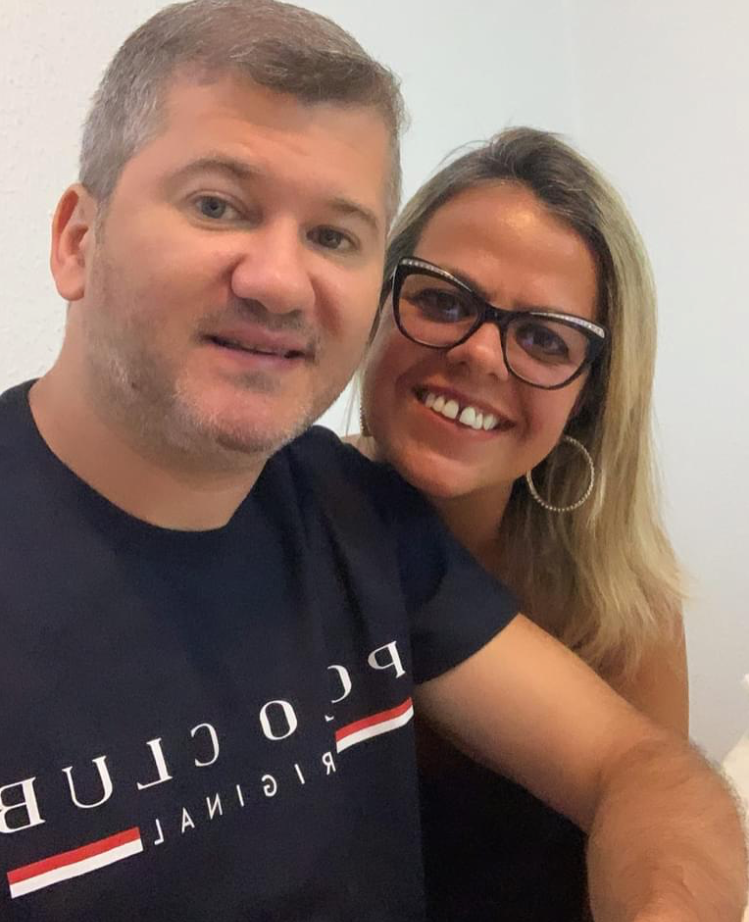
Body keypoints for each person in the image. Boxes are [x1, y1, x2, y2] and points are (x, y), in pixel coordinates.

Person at [0, 2, 744, 920]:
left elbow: (638, 767)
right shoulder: (366, 503)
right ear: (77, 239)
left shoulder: (360, 519)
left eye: (333, 236)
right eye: (217, 204)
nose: (278, 281)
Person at [358, 127, 691, 920]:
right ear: (374, 304)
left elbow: (663, 822)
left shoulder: (621, 603)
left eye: (542, 338)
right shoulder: (275, 534)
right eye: (442, 299)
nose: (479, 354)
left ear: (589, 395)